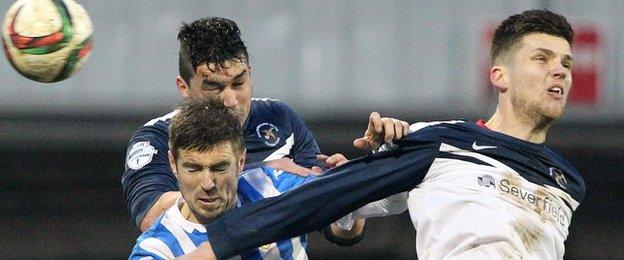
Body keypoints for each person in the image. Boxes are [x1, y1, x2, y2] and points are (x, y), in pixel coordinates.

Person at [178, 10, 587, 260]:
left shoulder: (569, 183)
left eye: (567, 63)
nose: (560, 71)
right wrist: (216, 246)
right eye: (542, 58)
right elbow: (329, 201)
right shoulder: (443, 142)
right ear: (500, 75)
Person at [121, 17, 355, 232]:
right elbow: (152, 217)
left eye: (239, 83)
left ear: (249, 74)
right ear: (184, 87)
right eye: (213, 87)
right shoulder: (157, 138)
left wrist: (346, 194)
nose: (231, 101)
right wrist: (263, 175)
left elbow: (337, 229)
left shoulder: (280, 120)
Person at [129, 98, 406, 259]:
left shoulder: (275, 185)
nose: (208, 183)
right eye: (193, 168)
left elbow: (387, 202)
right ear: (172, 165)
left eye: (219, 167)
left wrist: (389, 153)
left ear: (241, 162)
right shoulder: (156, 249)